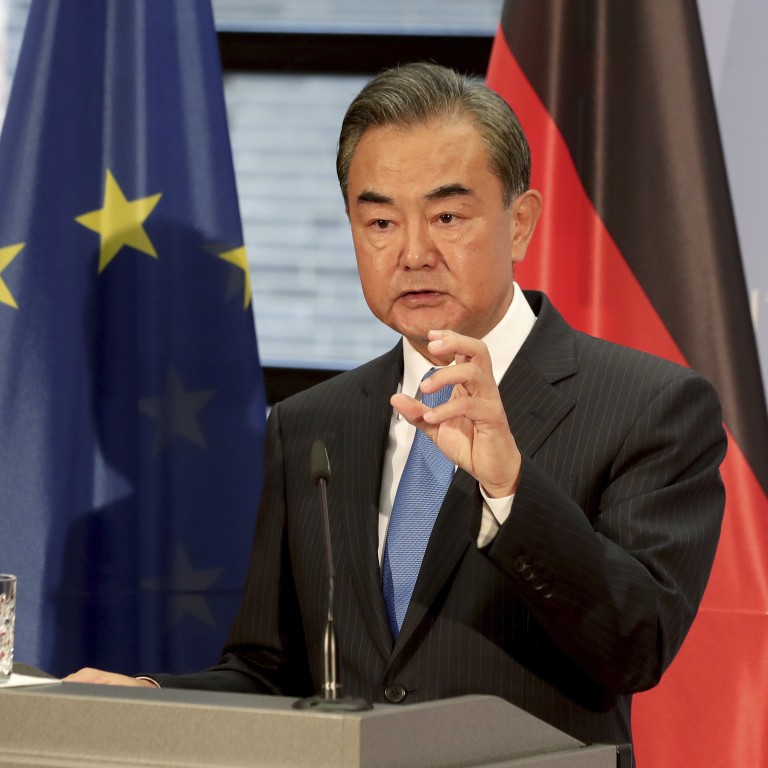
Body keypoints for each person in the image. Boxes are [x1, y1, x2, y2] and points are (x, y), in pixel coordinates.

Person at [65, 62, 726, 751]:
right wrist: (152, 699)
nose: (413, 253)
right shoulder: (309, 424)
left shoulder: (652, 407)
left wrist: (509, 489)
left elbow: (637, 646)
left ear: (520, 223)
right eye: (380, 221)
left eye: (447, 217)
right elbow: (275, 673)